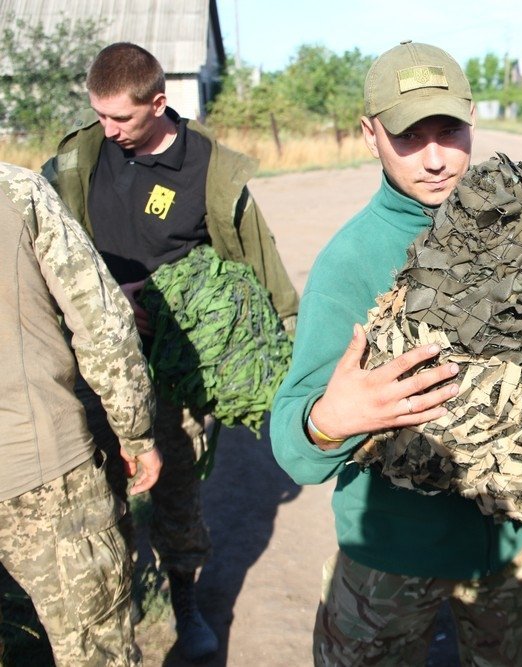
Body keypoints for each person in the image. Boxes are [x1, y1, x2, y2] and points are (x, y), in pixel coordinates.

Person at [270, 41, 522, 666]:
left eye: (449, 130)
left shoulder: (518, 228)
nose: (435, 159)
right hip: (389, 559)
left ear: (472, 119)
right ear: (370, 134)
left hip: (510, 550)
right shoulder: (349, 263)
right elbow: (294, 449)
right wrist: (329, 421)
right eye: (409, 136)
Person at [42, 42, 300, 662]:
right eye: (99, 115)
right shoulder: (79, 160)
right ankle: (120, 599)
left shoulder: (210, 171)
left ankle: (185, 595)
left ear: (158, 103)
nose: (108, 131)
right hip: (94, 369)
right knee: (96, 495)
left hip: (176, 370)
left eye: (120, 119)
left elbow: (258, 276)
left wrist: (287, 363)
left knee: (177, 492)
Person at [0, 161, 162, 666]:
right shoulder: (16, 192)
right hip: (44, 476)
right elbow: (106, 326)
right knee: (95, 651)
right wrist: (135, 435)